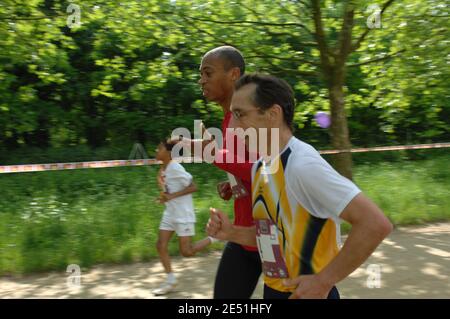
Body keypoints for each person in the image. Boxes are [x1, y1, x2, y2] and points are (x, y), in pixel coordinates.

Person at [207, 74, 393, 299]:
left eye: (240, 114)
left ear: (273, 114)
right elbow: (275, 237)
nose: (232, 126)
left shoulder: (301, 165)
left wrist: (324, 281)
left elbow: (375, 223)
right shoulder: (260, 167)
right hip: (275, 290)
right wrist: (231, 232)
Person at [152, 140, 214, 296]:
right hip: (170, 212)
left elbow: (194, 186)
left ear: (168, 153)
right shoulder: (164, 169)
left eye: (159, 148)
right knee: (160, 245)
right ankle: (170, 280)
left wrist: (171, 196)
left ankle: (216, 238)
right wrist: (163, 197)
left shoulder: (175, 167)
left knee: (186, 252)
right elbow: (169, 191)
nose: (156, 150)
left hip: (183, 214)